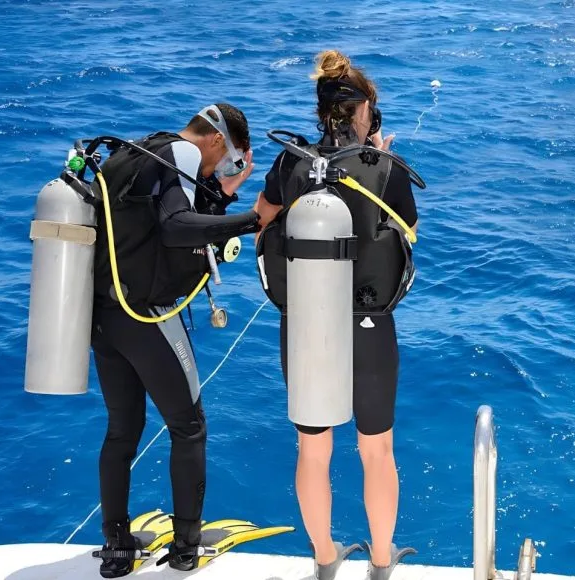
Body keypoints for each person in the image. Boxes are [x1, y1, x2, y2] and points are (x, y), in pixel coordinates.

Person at [253, 51, 420, 580]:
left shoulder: (289, 163)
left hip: (305, 323)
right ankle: (379, 561)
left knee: (313, 448)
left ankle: (326, 559)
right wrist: (377, 161)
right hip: (369, 323)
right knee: (377, 449)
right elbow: (406, 236)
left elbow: (262, 224)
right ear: (365, 109)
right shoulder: (384, 169)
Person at [90, 103, 260, 577]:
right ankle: (186, 548)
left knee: (122, 430)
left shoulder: (142, 149)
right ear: (215, 141)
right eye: (225, 161)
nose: (216, 170)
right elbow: (175, 227)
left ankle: (116, 546)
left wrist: (223, 193)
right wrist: (252, 218)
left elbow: (155, 220)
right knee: (189, 427)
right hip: (146, 317)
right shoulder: (184, 155)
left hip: (105, 316)